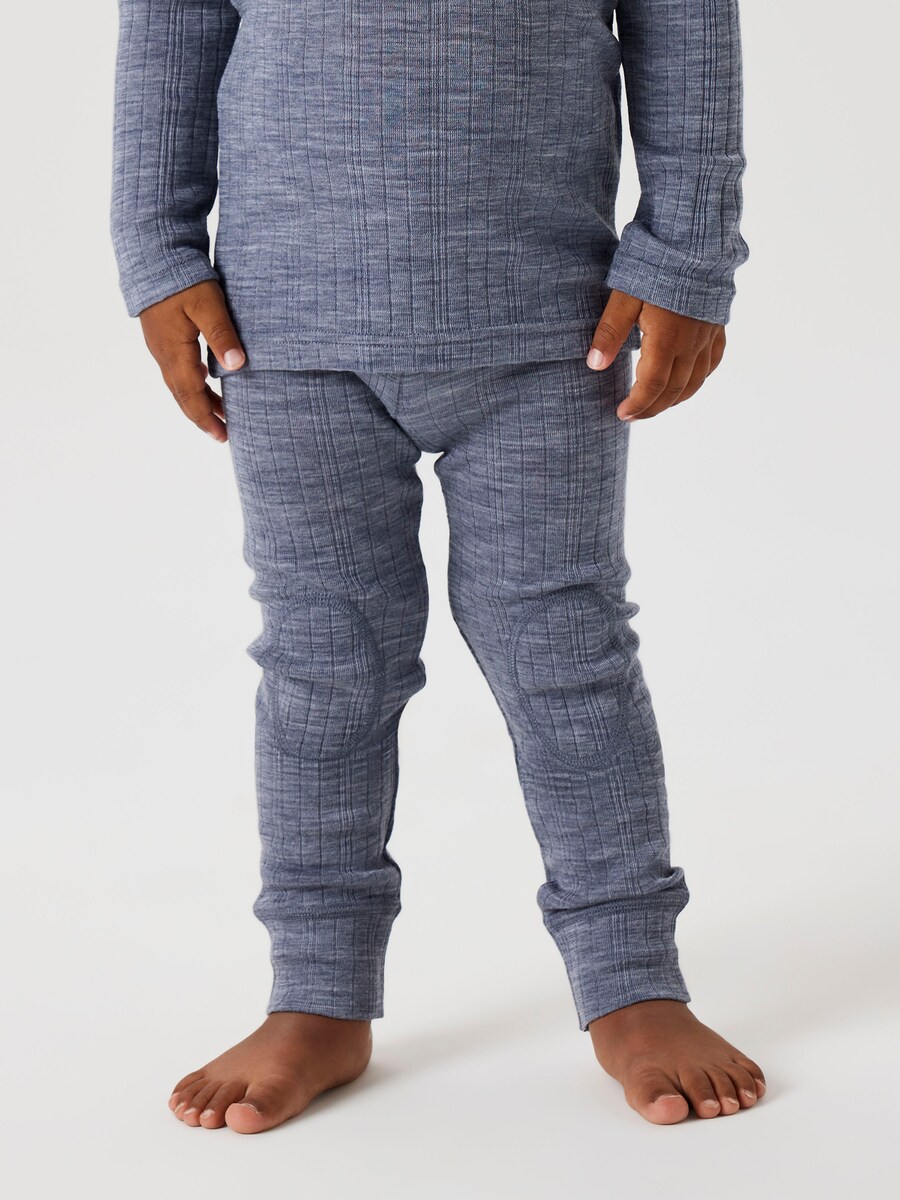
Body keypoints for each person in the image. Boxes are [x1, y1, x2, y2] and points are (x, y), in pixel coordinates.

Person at [110, 0, 765, 1132]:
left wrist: (690, 255)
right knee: (325, 665)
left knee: (564, 652)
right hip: (281, 331)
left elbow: (685, 23)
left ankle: (632, 979)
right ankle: (318, 992)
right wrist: (157, 253)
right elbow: (172, 25)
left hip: (556, 326)